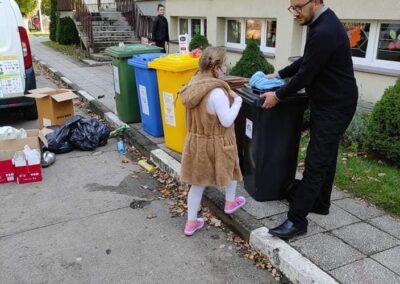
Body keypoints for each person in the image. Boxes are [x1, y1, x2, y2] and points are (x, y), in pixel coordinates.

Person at [261, 0, 358, 239]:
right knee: (326, 156)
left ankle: (297, 220)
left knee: (316, 162)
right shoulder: (321, 23)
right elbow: (309, 59)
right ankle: (320, 203)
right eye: (291, 8)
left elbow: (306, 74)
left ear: (315, 1)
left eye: (298, 7)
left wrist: (278, 95)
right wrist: (279, 74)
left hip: (335, 105)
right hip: (328, 101)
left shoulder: (325, 30)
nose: (295, 13)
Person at [179, 47, 246, 236]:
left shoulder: (193, 84)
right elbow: (226, 120)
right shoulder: (216, 92)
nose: (226, 68)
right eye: (224, 65)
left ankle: (191, 222)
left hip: (196, 142)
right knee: (233, 167)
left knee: (197, 182)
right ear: (216, 67)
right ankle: (230, 202)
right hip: (218, 142)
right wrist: (238, 101)